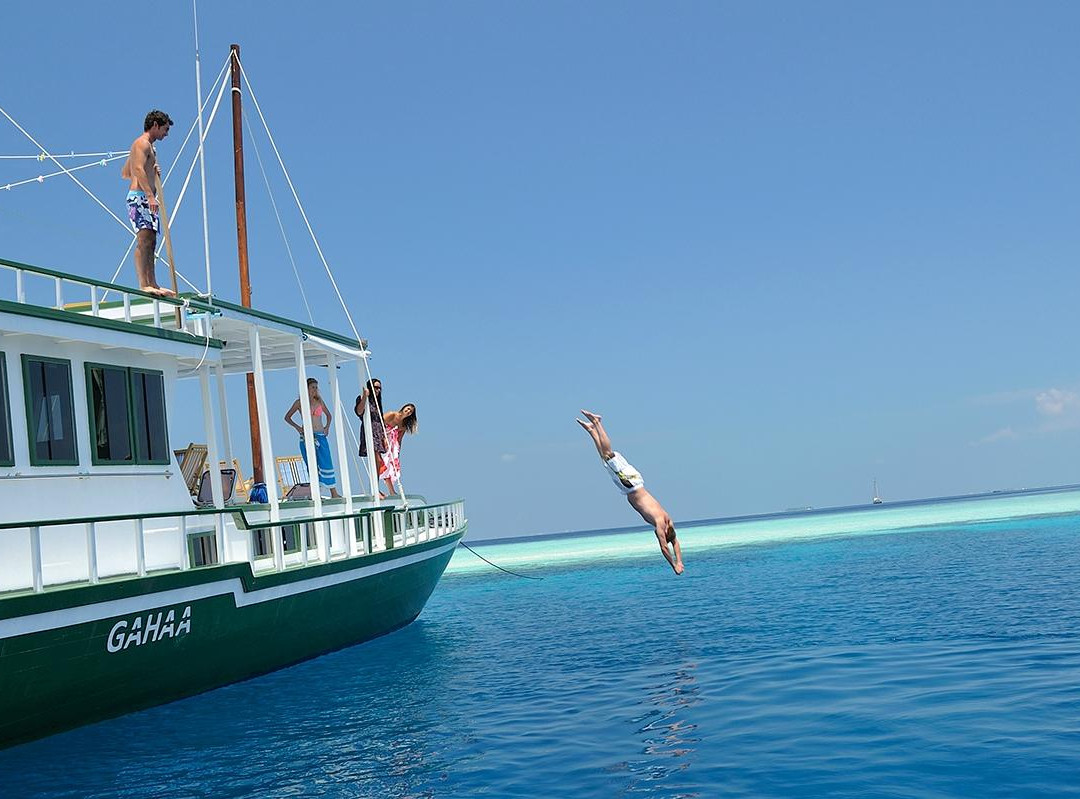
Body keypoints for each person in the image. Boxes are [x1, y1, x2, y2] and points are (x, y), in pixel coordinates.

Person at [576, 410, 684, 575]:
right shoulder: (660, 525)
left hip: (632, 484)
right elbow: (664, 547)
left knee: (606, 459)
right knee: (609, 455)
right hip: (631, 485)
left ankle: (592, 431)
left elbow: (675, 542)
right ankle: (597, 423)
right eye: (661, 536)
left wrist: (680, 561)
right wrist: (674, 565)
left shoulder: (668, 521)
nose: (659, 536)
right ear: (664, 534)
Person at [121, 109, 174, 297]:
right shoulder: (141, 143)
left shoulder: (149, 147)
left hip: (145, 197)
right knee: (144, 239)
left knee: (151, 241)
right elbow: (136, 169)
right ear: (155, 125)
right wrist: (150, 196)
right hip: (139, 198)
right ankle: (144, 284)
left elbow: (126, 172)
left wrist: (152, 170)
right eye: (165, 129)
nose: (166, 134)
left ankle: (153, 283)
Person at [284, 378, 341, 498]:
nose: (315, 390)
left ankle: (333, 492)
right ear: (307, 388)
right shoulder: (300, 402)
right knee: (313, 465)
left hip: (320, 435)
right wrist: (297, 427)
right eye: (312, 387)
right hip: (307, 437)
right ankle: (316, 492)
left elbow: (329, 415)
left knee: (327, 462)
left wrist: (327, 427)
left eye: (316, 387)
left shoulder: (319, 401)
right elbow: (287, 417)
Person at [355, 378, 388, 494]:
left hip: (378, 432)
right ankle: (375, 488)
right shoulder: (362, 398)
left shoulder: (377, 402)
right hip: (369, 431)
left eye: (379, 388)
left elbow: (380, 419)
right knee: (377, 460)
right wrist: (365, 396)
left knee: (378, 461)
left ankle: (375, 487)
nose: (378, 390)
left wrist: (384, 436)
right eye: (376, 387)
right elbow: (359, 411)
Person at [378, 404, 418, 497]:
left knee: (389, 466)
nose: (408, 411)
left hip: (390, 446)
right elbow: (378, 424)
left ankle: (391, 491)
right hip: (380, 439)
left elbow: (399, 439)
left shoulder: (403, 425)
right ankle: (377, 489)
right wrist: (383, 438)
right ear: (403, 408)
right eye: (408, 409)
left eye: (411, 411)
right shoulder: (392, 414)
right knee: (381, 464)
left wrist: (397, 453)